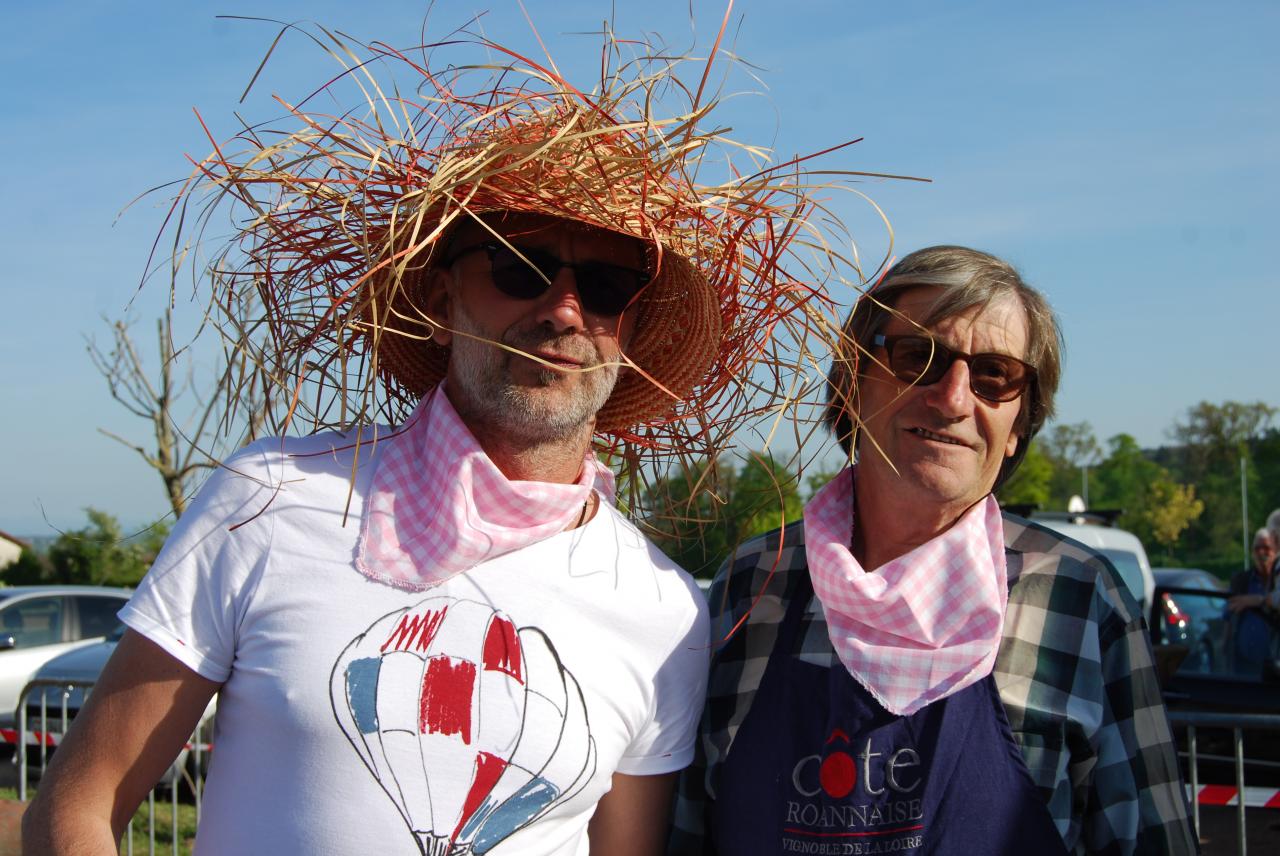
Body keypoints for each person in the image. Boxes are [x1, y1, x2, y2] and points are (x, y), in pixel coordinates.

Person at [22, 25, 851, 856]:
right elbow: (81, 802)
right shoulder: (272, 498)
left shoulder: (661, 607)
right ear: (442, 296)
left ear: (627, 333)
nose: (564, 310)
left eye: (606, 286)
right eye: (519, 267)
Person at [671, 246, 1199, 855]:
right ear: (852, 385)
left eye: (995, 375)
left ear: (1018, 426)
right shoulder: (755, 582)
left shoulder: (1077, 597)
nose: (952, 398)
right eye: (917, 357)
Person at [1225, 525, 1280, 676]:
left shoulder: (1277, 582)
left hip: (1274, 664)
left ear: (1276, 551)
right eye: (1257, 548)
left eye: (1266, 548)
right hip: (1243, 662)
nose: (1261, 553)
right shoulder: (1241, 580)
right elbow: (1228, 616)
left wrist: (1260, 601)